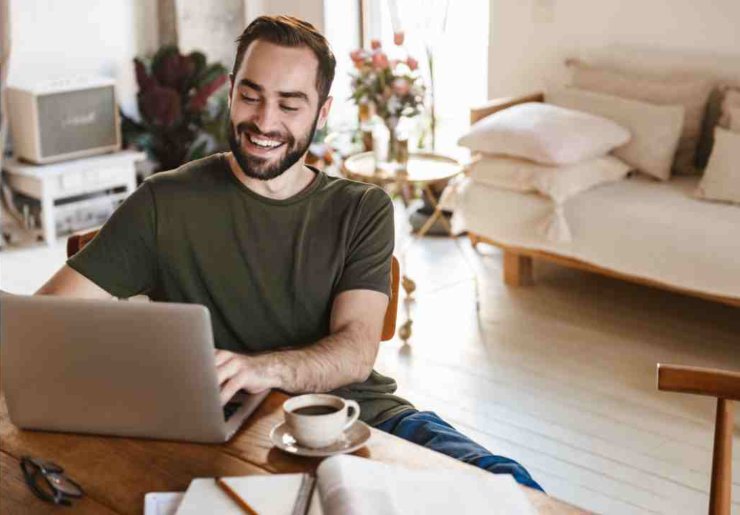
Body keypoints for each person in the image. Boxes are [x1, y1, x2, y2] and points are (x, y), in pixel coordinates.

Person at [36, 15, 542, 492]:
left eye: (289, 104)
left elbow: (356, 350)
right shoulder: (163, 202)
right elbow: (44, 322)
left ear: (322, 113)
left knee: (510, 485)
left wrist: (263, 369)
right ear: (231, 92)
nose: (264, 121)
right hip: (228, 433)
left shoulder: (362, 209)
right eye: (250, 96)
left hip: (361, 419)